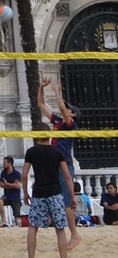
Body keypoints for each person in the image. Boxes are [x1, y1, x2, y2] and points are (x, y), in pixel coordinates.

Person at [38, 76, 82, 249]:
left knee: (65, 202)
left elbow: (62, 108)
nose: (66, 110)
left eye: (70, 110)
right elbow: (41, 105)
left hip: (65, 164)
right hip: (54, 165)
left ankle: (75, 235)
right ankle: (62, 229)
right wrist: (42, 88)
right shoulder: (57, 121)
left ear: (73, 115)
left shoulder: (71, 125)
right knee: (55, 199)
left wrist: (56, 91)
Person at [23, 126, 75, 258]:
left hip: (39, 193)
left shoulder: (31, 152)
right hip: (55, 193)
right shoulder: (57, 152)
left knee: (33, 227)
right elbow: (67, 176)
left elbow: (24, 175)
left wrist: (25, 193)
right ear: (50, 135)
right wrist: (72, 196)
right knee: (60, 228)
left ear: (38, 135)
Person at [0, 155, 23, 226]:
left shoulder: (17, 174)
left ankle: (18, 226)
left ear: (10, 163)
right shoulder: (3, 173)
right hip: (7, 196)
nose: (3, 164)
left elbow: (17, 186)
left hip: (15, 197)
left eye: (5, 162)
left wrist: (7, 184)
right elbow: (1, 185)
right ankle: (4, 220)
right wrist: (12, 185)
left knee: (17, 216)